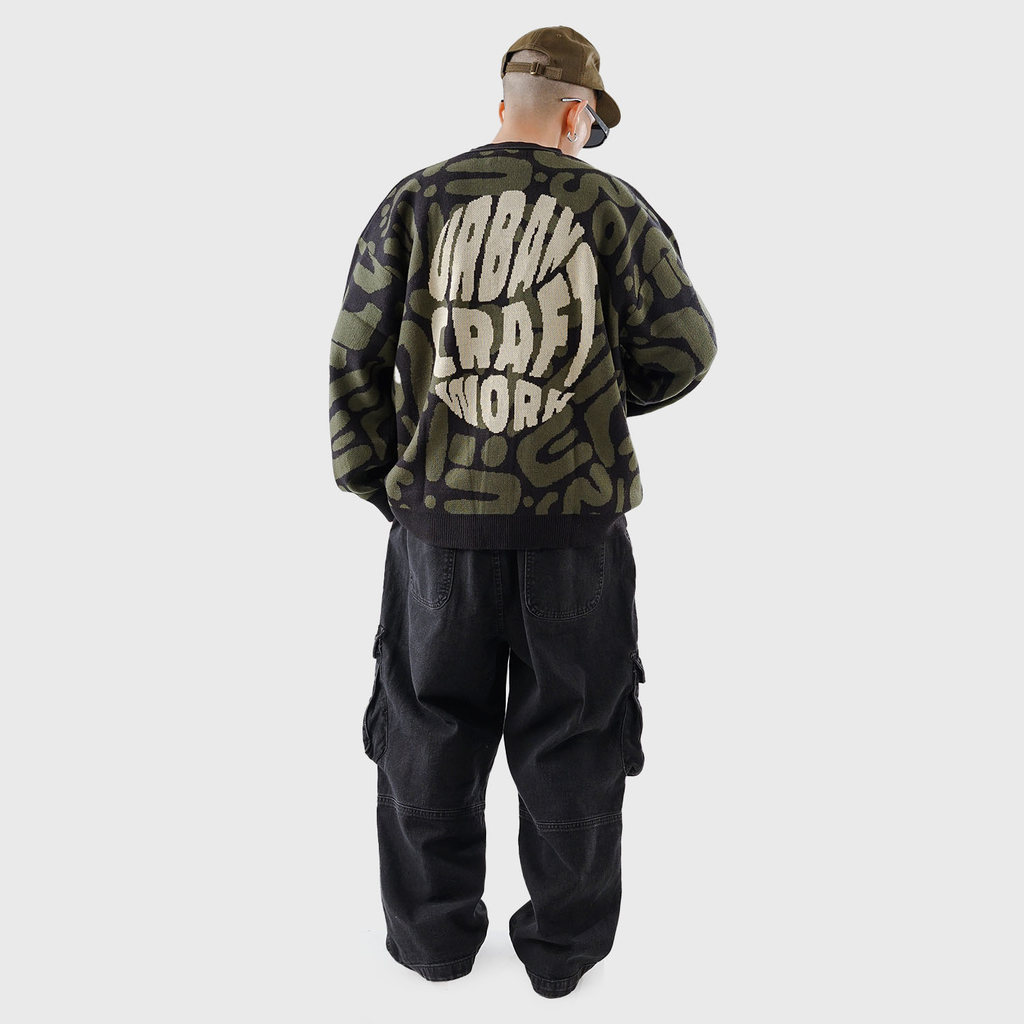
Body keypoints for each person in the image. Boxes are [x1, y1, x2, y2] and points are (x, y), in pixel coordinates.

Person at [328, 24, 717, 998]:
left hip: (437, 532)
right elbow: (686, 348)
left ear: (504, 105)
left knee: (427, 731)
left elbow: (354, 356)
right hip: (574, 532)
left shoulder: (416, 200)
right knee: (575, 736)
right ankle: (562, 956)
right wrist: (589, 401)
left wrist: (389, 484)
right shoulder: (612, 207)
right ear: (578, 115)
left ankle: (433, 946)